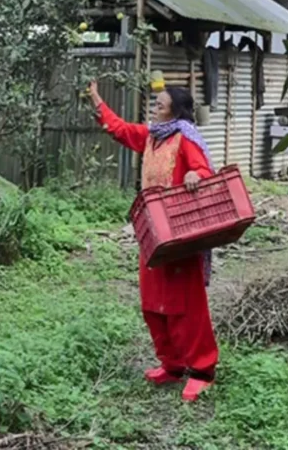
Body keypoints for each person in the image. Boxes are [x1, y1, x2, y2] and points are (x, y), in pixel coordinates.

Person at [88, 80, 219, 402]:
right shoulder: (151, 136)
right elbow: (119, 129)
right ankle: (172, 365)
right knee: (152, 302)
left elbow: (204, 170)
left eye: (160, 105)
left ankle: (202, 370)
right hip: (153, 233)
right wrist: (96, 99)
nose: (154, 108)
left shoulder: (184, 138)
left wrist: (194, 176)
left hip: (180, 233)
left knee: (185, 304)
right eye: (155, 104)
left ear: (176, 110)